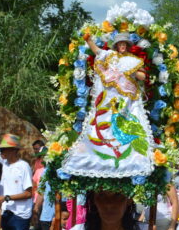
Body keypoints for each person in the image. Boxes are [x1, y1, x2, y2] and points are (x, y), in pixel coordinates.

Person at [61, 32, 154, 178]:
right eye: (120, 44)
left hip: (126, 99)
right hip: (109, 97)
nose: (122, 46)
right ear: (116, 46)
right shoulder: (110, 55)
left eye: (125, 44)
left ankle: (129, 156)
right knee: (104, 122)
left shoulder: (133, 60)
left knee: (126, 122)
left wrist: (133, 73)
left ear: (128, 46)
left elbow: (142, 76)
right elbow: (97, 51)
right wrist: (89, 40)